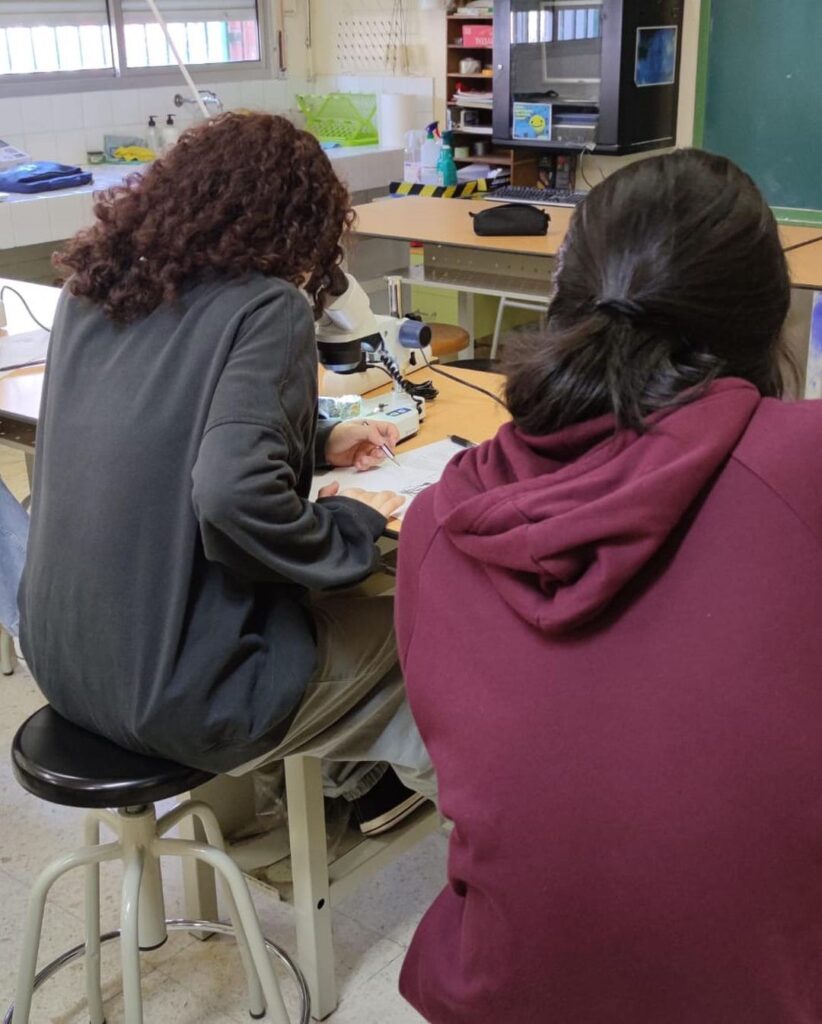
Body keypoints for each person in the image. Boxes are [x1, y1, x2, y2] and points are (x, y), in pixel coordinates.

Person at [396, 149, 822, 1022]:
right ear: (767, 324)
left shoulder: (442, 520)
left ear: (563, 302)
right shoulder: (802, 470)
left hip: (506, 995)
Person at [19, 112, 435, 836]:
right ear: (300, 227)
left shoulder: (95, 294)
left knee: (301, 612)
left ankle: (353, 782)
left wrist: (318, 441)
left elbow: (160, 435)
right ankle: (475, 842)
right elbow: (231, 494)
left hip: (62, 662)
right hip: (182, 693)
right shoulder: (267, 307)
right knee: (427, 628)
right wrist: (349, 527)